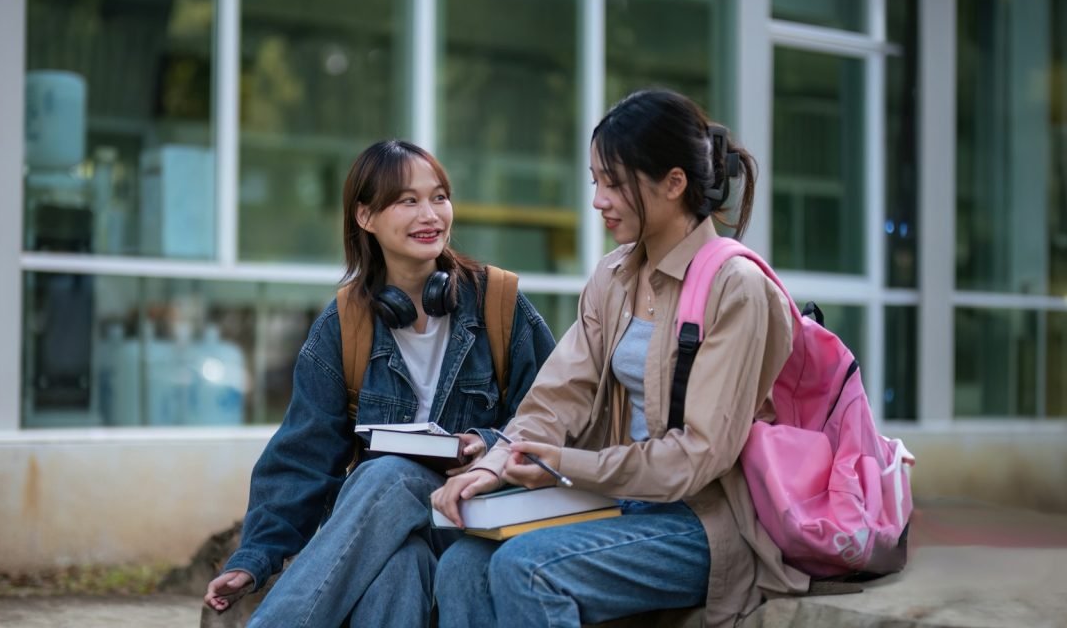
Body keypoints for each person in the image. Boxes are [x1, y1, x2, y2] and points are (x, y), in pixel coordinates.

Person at [431, 89, 811, 628]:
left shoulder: (737, 288)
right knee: (463, 564)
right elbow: (557, 396)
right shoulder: (613, 277)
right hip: (617, 504)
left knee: (528, 568)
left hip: (699, 521)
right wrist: (495, 464)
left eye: (614, 183)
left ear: (674, 183)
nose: (598, 200)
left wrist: (567, 466)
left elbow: (698, 457)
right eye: (596, 182)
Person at [204, 139, 557, 627]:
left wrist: (488, 443)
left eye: (438, 196)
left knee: (386, 474)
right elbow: (301, 458)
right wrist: (253, 560)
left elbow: (557, 415)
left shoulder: (499, 305)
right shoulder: (344, 325)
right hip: (391, 533)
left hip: (478, 521)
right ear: (365, 216)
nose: (430, 214)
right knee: (398, 569)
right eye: (407, 201)